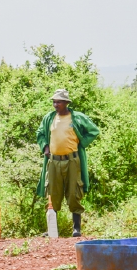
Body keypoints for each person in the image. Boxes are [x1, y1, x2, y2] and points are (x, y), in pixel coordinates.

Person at [36, 89, 100, 237]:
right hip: (54, 161)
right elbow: (40, 133)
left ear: (66, 103)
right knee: (53, 192)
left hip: (72, 161)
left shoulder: (77, 117)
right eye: (54, 102)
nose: (55, 105)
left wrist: (81, 143)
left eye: (58, 102)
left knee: (74, 192)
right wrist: (45, 147)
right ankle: (52, 230)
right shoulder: (49, 118)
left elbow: (94, 131)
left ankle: (76, 228)